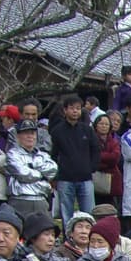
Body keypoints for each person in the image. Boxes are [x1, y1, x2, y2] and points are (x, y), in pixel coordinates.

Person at [49, 94, 100, 232]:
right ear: (65, 110)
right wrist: (55, 175)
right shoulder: (57, 131)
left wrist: (92, 167)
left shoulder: (87, 130)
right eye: (71, 108)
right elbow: (53, 154)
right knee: (67, 214)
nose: (75, 111)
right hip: (65, 178)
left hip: (85, 177)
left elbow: (96, 149)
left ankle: (89, 238)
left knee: (89, 213)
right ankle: (68, 239)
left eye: (78, 108)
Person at [3, 119, 57, 217]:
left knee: (43, 231)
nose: (30, 136)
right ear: (18, 136)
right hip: (20, 200)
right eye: (26, 133)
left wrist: (31, 167)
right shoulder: (12, 154)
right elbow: (23, 174)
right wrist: (42, 175)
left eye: (32, 133)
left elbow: (53, 170)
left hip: (41, 199)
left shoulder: (43, 155)